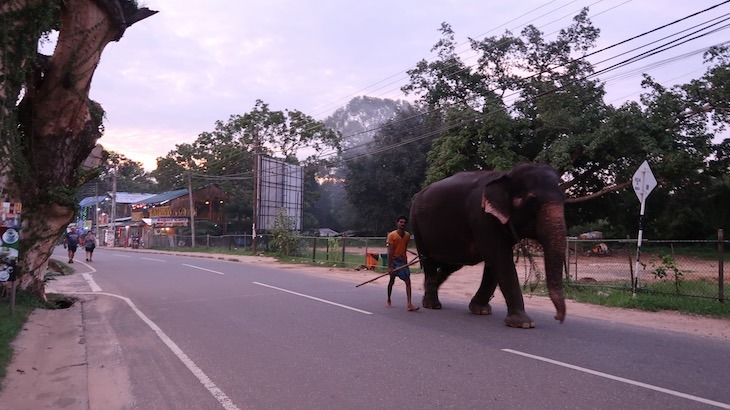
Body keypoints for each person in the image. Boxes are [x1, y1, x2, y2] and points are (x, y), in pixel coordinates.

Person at [386, 215, 419, 311]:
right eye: (401, 222)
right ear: (397, 223)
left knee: (408, 282)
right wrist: (389, 267)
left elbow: (403, 247)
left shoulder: (407, 235)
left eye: (404, 222)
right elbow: (390, 252)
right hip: (394, 261)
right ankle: (388, 299)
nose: (403, 224)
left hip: (403, 261)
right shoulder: (392, 236)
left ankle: (409, 304)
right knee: (391, 281)